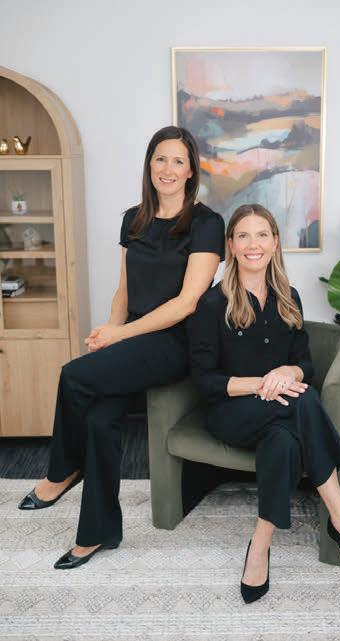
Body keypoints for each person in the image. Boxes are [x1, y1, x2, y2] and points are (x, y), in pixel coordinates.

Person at [18, 126, 225, 569]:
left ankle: (61, 472)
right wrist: (109, 332)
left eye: (178, 161)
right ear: (149, 165)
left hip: (176, 343)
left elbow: (187, 303)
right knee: (98, 420)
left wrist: (121, 336)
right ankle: (98, 534)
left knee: (72, 375)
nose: (167, 169)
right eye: (160, 159)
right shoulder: (133, 219)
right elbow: (124, 290)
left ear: (191, 171)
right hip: (133, 338)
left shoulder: (207, 223)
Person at [187, 203, 340, 604]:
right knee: (304, 400)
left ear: (275, 242)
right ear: (231, 245)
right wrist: (263, 383)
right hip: (231, 413)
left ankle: (260, 544)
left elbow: (304, 364)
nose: (253, 244)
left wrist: (288, 372)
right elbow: (204, 381)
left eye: (262, 235)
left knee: (284, 440)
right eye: (243, 236)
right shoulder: (212, 304)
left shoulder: (289, 297)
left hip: (280, 411)